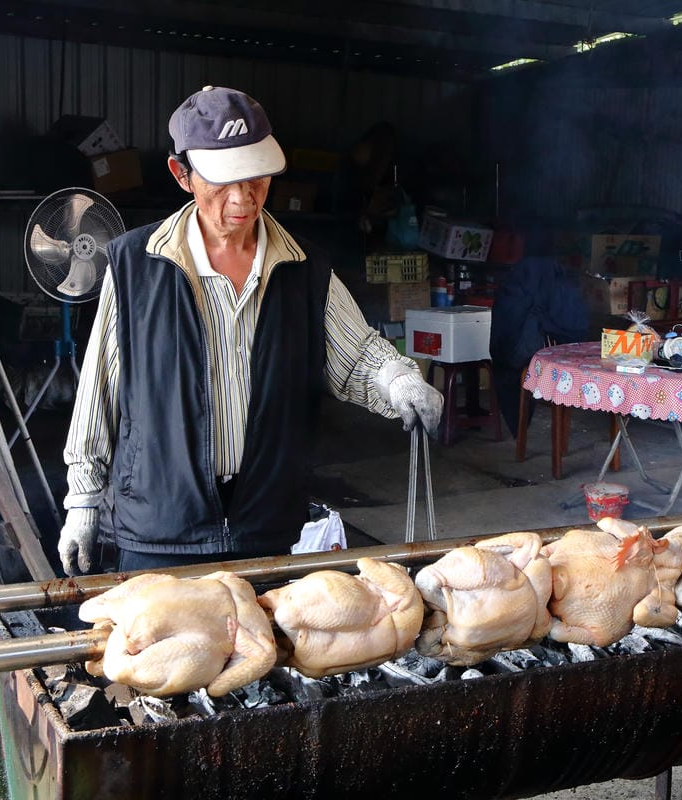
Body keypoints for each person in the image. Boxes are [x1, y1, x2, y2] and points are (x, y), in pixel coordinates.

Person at [57, 86, 443, 576]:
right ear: (181, 174)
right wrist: (83, 501)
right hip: (161, 528)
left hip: (265, 524)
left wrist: (398, 379)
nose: (243, 198)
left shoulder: (303, 266)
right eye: (223, 181)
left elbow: (357, 355)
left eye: (256, 177)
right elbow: (100, 389)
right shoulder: (136, 265)